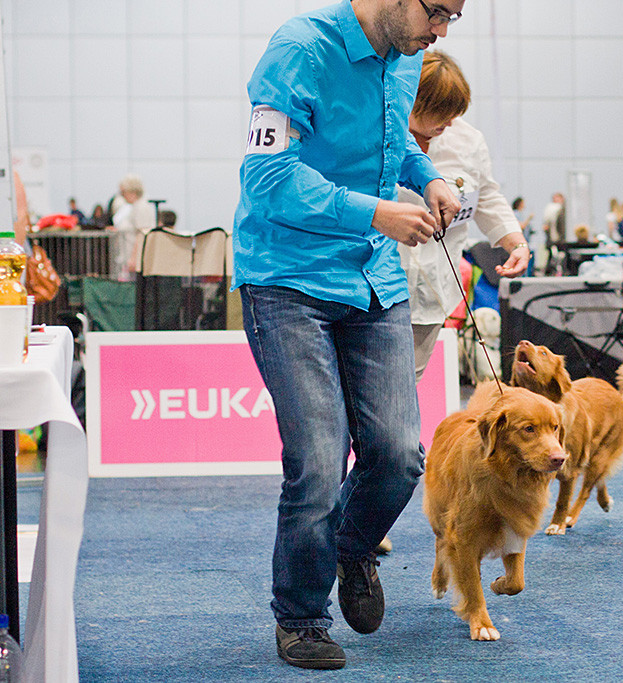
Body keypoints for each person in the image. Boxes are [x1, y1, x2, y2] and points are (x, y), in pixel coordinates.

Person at [232, 0, 463, 670]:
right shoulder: (299, 50)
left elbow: (390, 152)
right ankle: (302, 616)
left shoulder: (404, 57)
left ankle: (351, 546)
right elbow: (269, 179)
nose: (441, 32)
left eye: (454, 17)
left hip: (372, 281)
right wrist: (376, 212)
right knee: (319, 457)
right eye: (438, 11)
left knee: (397, 455)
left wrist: (431, 176)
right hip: (285, 279)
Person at [396, 50, 529, 381]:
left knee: (404, 387)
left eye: (454, 113)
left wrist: (516, 242)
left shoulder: (468, 140)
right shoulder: (378, 133)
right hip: (374, 287)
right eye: (440, 113)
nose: (450, 122)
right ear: (412, 104)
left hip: (432, 292)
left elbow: (486, 198)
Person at [110, 174, 156, 281]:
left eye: (123, 192)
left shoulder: (141, 207)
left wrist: (134, 258)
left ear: (132, 191)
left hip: (134, 260)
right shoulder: (133, 207)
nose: (122, 195)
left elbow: (141, 234)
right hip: (128, 256)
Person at [541, 192, 565, 274]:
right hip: (554, 237)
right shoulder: (552, 208)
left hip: (560, 237)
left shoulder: (562, 209)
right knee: (552, 255)